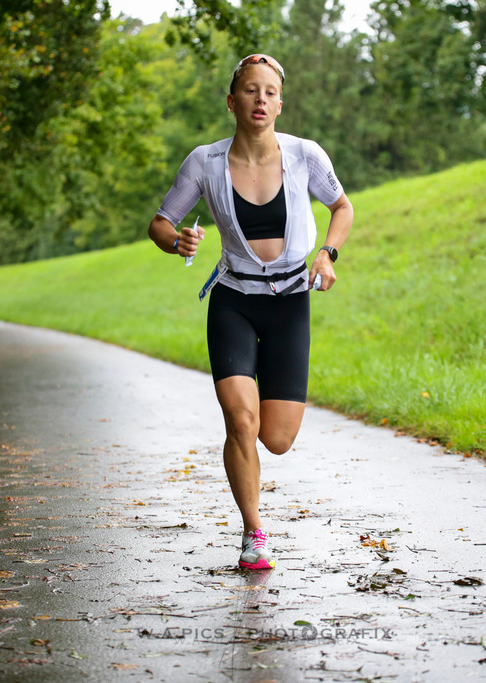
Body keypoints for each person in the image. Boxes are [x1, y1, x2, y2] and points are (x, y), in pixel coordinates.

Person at [148, 54, 354, 571]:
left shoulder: (305, 156)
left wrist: (327, 254)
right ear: (232, 101)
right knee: (240, 418)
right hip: (234, 301)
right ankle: (254, 532)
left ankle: (257, 409)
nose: (260, 100)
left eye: (269, 92)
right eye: (249, 91)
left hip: (290, 303)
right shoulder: (205, 162)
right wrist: (178, 242)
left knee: (276, 439)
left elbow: (342, 207)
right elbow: (160, 223)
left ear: (280, 104)